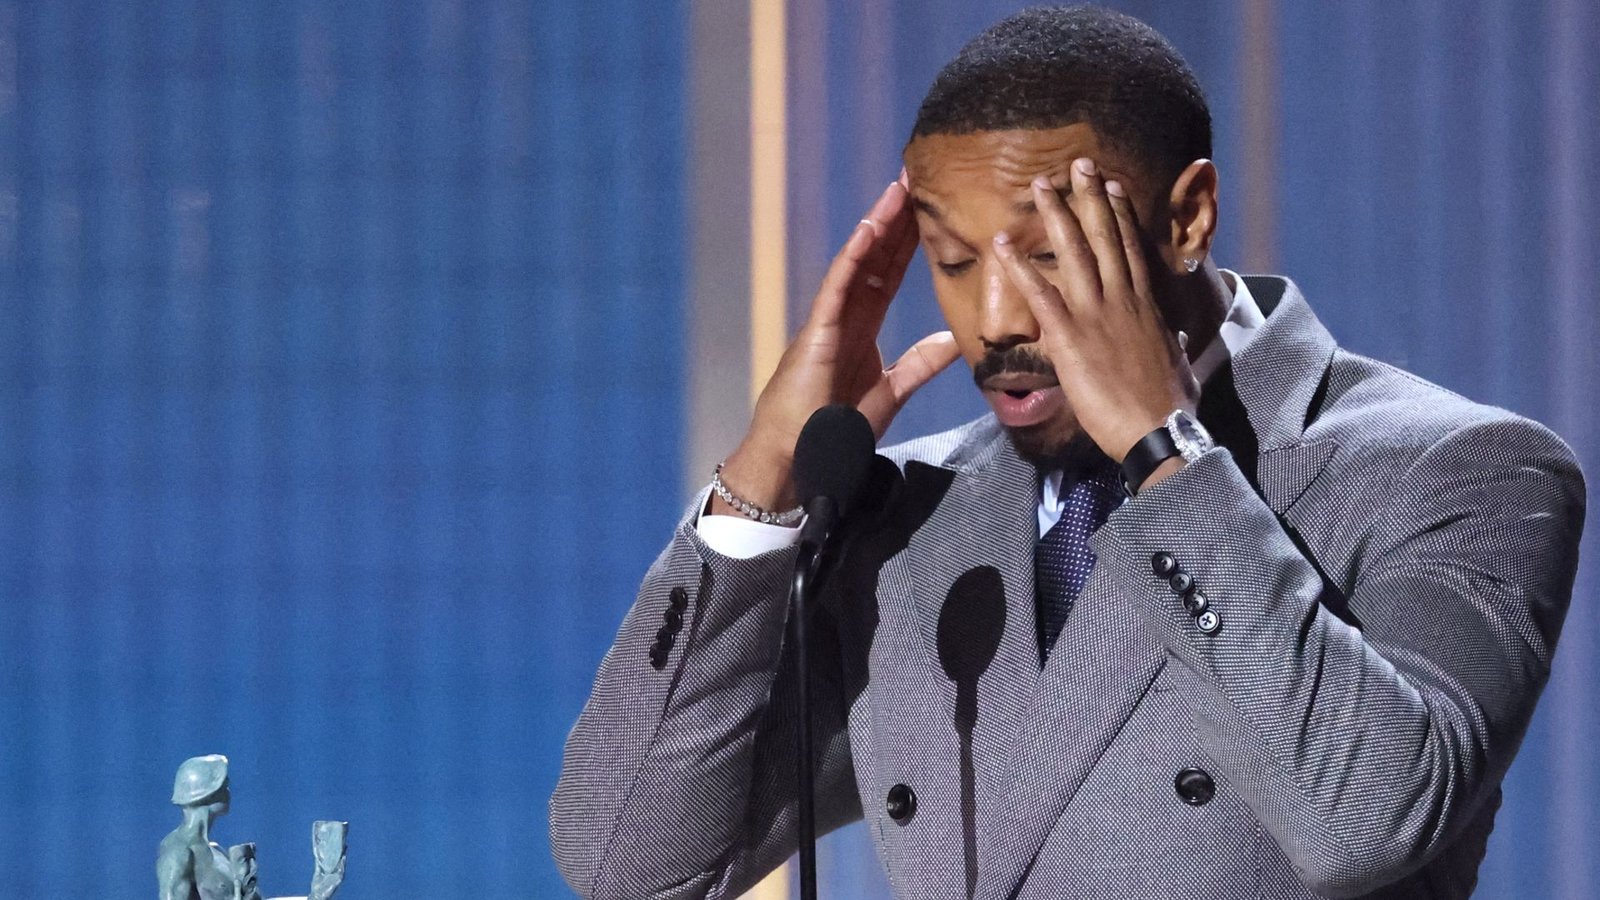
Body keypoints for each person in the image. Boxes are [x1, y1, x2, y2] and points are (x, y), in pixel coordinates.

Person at [550, 6, 1585, 899]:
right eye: (954, 260)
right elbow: (626, 864)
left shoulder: (1458, 471)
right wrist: (758, 491)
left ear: (1187, 218)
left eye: (1047, 252)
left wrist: (1164, 456)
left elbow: (1368, 820)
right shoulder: (910, 519)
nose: (996, 316)